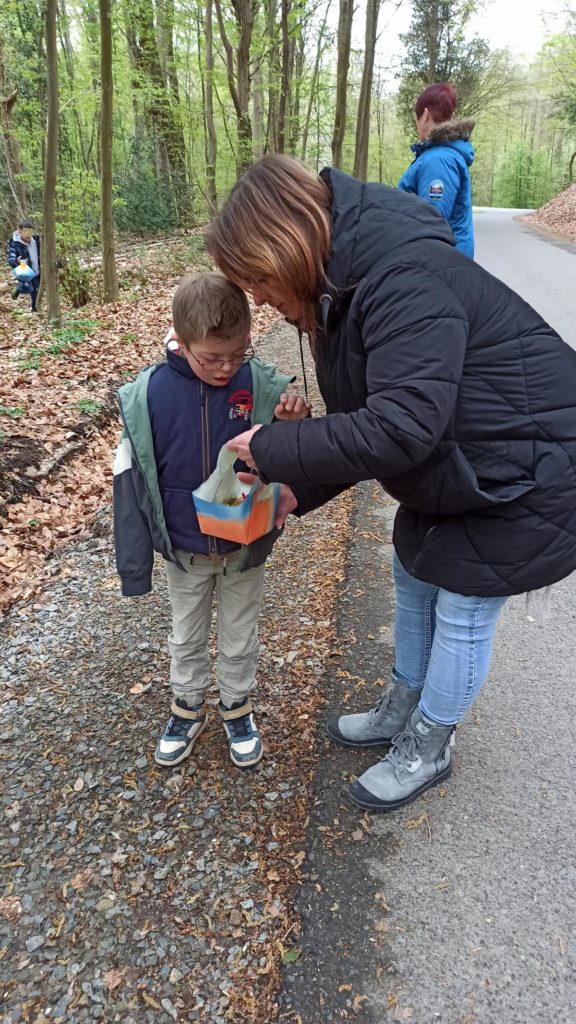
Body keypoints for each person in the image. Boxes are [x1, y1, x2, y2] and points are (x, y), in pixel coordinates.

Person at [206, 153, 576, 813]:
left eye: (257, 278)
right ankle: (403, 704)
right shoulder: (340, 292)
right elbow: (363, 425)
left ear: (286, 244)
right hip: (466, 461)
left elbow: (399, 429)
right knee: (413, 569)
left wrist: (270, 446)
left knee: (463, 603)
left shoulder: (403, 276)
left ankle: (430, 744)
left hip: (535, 467)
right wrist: (294, 491)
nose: (257, 298)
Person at [113, 271, 310, 770]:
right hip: (185, 550)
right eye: (212, 358)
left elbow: (291, 463)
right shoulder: (149, 397)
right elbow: (131, 484)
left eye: (237, 354)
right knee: (185, 635)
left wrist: (290, 427)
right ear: (180, 342)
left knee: (240, 634)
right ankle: (187, 706)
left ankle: (236, 706)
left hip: (243, 546)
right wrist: (134, 567)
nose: (226, 367)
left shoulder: (257, 385)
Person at [397, 83, 475, 258]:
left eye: (416, 117)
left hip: (441, 262)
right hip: (444, 260)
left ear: (425, 114)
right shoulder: (438, 155)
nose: (417, 124)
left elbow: (432, 224)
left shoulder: (439, 160)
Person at [7, 219, 41, 312]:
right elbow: (10, 259)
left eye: (30, 231)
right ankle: (19, 288)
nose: (28, 234)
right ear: (20, 231)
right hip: (25, 272)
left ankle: (35, 311)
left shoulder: (37, 240)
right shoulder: (15, 244)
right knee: (27, 288)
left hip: (37, 271)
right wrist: (16, 261)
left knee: (35, 292)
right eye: (26, 231)